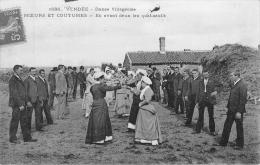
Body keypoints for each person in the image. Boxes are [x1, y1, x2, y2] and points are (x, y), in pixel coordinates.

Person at [85, 72, 121, 144]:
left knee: (95, 120)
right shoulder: (101, 86)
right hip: (101, 103)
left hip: (95, 103)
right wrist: (118, 86)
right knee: (102, 120)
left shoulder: (92, 86)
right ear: (100, 78)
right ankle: (101, 138)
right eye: (103, 78)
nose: (104, 80)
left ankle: (95, 138)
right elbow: (110, 88)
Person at [219, 71, 247, 150]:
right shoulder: (234, 84)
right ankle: (223, 142)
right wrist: (227, 106)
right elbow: (231, 97)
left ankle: (239, 145)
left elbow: (243, 100)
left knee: (239, 127)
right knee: (227, 126)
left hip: (237, 111)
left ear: (237, 76)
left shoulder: (242, 85)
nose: (230, 77)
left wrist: (239, 112)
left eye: (232, 75)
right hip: (231, 110)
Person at [9, 65, 37, 143]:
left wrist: (27, 101)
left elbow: (23, 92)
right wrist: (20, 104)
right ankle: (12, 138)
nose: (22, 71)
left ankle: (27, 138)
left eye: (22, 70)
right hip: (17, 105)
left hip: (23, 104)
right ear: (15, 70)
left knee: (24, 121)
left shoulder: (19, 78)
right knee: (15, 122)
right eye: (20, 70)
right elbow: (14, 94)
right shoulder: (12, 80)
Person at [134, 76, 162, 145]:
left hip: (147, 108)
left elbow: (147, 99)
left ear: (145, 83)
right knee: (144, 124)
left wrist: (141, 103)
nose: (141, 84)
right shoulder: (145, 89)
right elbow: (140, 94)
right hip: (144, 109)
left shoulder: (148, 89)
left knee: (148, 124)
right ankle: (143, 137)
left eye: (142, 83)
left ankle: (151, 139)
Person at [193, 70, 218, 135]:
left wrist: (216, 91)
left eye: (206, 74)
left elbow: (220, 86)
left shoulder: (213, 81)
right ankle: (198, 130)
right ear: (202, 75)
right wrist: (197, 102)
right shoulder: (200, 82)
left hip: (210, 100)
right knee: (200, 115)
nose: (205, 76)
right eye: (204, 75)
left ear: (209, 74)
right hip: (202, 100)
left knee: (211, 116)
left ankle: (212, 131)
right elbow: (197, 92)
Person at [24, 67, 43, 132]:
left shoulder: (38, 79)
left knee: (38, 114)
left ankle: (38, 127)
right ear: (30, 72)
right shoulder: (27, 80)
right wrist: (27, 101)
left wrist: (41, 100)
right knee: (29, 116)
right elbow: (25, 92)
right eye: (32, 72)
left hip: (38, 100)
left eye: (35, 71)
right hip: (30, 100)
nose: (34, 73)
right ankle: (28, 129)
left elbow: (40, 90)